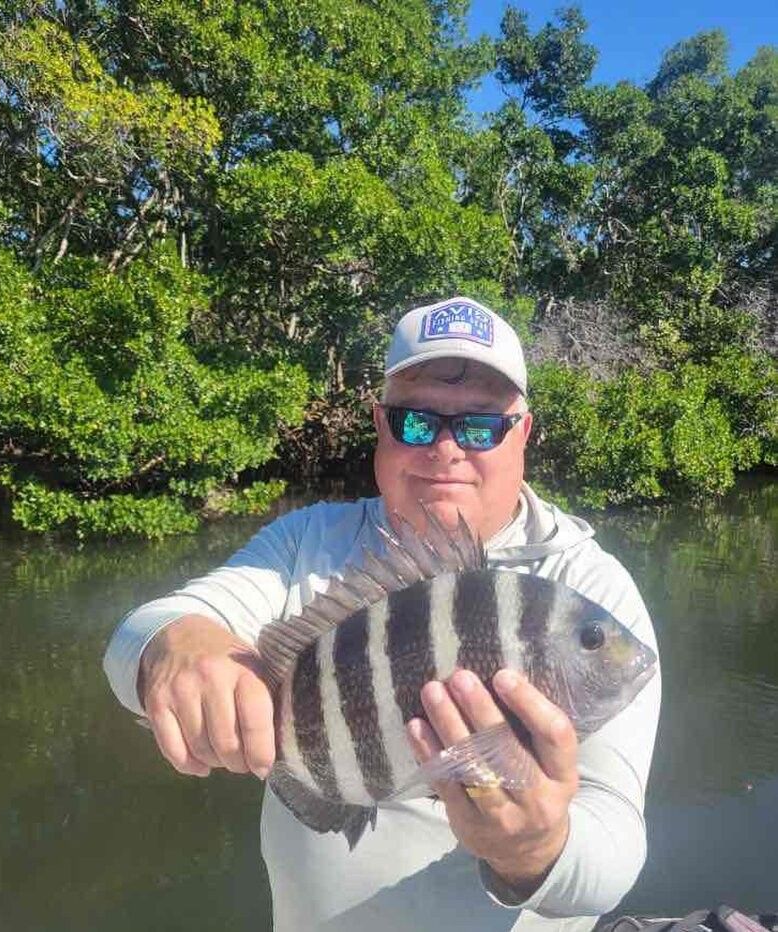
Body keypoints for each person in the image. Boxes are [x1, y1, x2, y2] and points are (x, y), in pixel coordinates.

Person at [104, 296, 661, 932]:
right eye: (416, 423)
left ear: (523, 433)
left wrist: (533, 847)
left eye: (480, 426)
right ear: (380, 424)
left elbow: (616, 855)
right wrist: (174, 646)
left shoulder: (585, 587)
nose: (446, 449)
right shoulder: (306, 544)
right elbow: (136, 639)